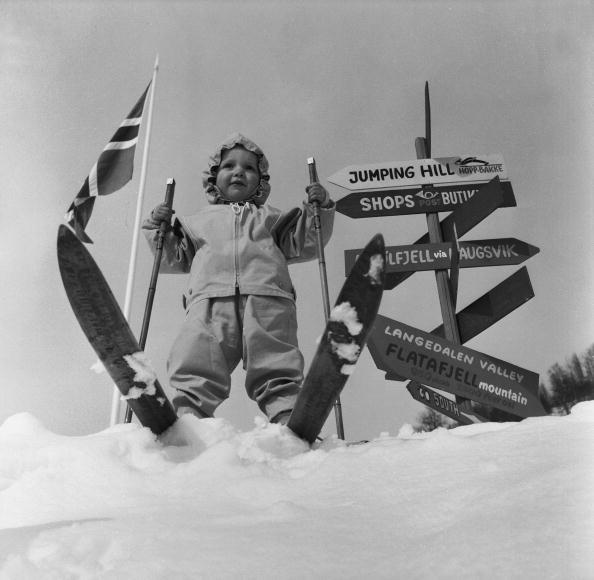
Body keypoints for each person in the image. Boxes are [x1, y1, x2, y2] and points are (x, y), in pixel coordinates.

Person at [143, 133, 334, 425]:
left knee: (275, 360)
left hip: (267, 299)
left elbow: (306, 241)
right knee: (196, 358)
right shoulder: (196, 223)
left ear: (261, 180)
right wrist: (158, 227)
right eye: (229, 166)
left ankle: (286, 414)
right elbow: (170, 256)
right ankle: (190, 416)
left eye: (248, 168)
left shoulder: (272, 218)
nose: (238, 172)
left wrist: (317, 210)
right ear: (213, 177)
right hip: (209, 303)